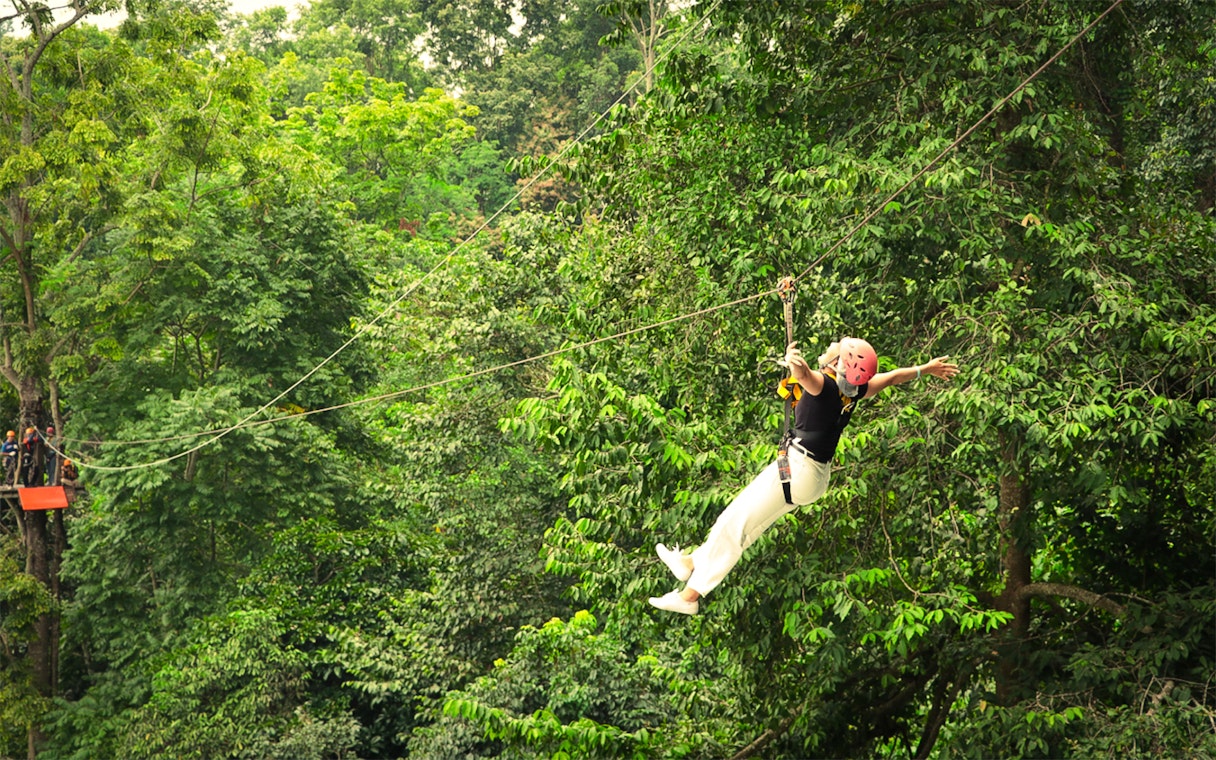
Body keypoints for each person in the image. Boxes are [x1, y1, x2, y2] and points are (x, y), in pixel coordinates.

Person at [649, 337, 960, 615]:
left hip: (800, 469)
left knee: (736, 526)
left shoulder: (824, 386)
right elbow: (892, 377)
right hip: (808, 474)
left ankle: (690, 596)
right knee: (736, 522)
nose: (826, 350)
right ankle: (690, 564)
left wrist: (794, 361)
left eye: (832, 350)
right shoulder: (855, 388)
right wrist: (925, 369)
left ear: (839, 364)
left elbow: (804, 375)